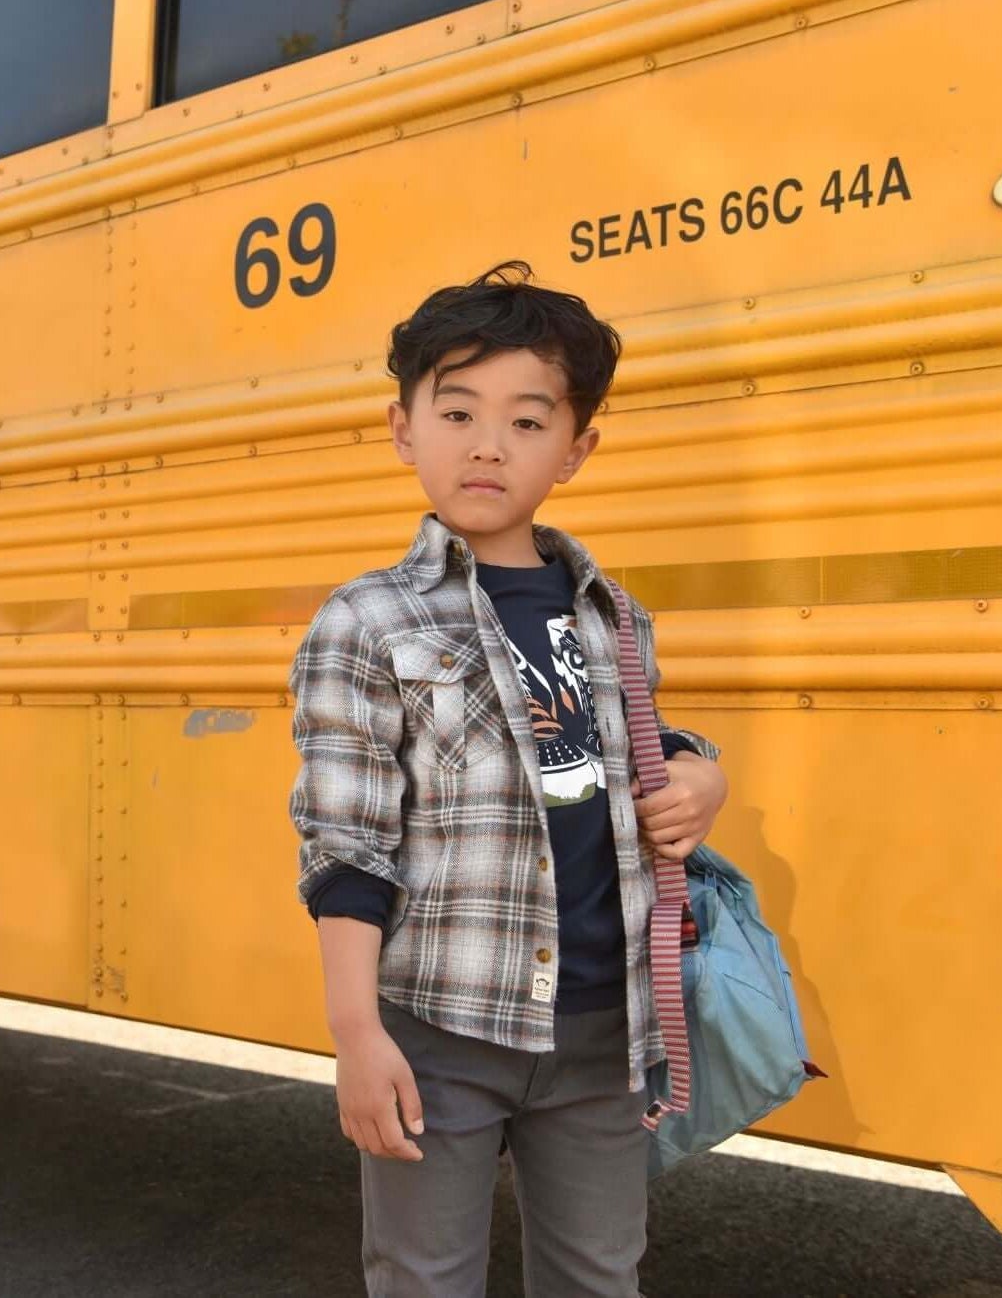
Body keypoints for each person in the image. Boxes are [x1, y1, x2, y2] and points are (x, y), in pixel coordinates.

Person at [288, 261, 728, 1296]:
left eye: (527, 422)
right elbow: (345, 848)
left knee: (597, 1273)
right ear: (402, 426)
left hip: (600, 1027)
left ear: (575, 449)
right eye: (455, 411)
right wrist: (355, 1033)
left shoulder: (610, 614)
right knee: (423, 1273)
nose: (486, 444)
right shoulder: (368, 620)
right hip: (441, 1024)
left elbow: (629, 755)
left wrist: (702, 774)